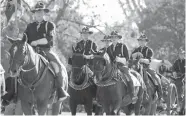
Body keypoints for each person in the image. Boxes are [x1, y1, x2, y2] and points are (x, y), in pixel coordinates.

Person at [2, 2, 69, 106]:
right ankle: (12, 93)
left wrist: (37, 42)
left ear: (44, 13)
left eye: (40, 12)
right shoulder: (30, 26)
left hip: (46, 50)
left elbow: (48, 39)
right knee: (16, 66)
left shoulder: (49, 25)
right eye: (37, 12)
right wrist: (17, 38)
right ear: (34, 14)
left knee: (57, 66)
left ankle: (60, 90)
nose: (38, 14)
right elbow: (25, 40)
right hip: (31, 52)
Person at [101, 31, 138, 103]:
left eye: (115, 37)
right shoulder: (109, 48)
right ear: (111, 39)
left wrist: (120, 59)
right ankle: (101, 96)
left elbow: (127, 57)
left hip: (122, 66)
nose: (114, 38)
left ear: (118, 38)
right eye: (112, 37)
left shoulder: (122, 46)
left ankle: (133, 95)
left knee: (128, 76)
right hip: (112, 67)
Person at [130, 32, 163, 101]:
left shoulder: (149, 50)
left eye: (143, 41)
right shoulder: (135, 50)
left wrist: (141, 60)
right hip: (136, 68)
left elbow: (149, 60)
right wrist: (135, 54)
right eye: (140, 40)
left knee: (156, 78)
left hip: (146, 68)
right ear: (138, 42)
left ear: (146, 42)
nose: (142, 42)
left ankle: (160, 95)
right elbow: (131, 58)